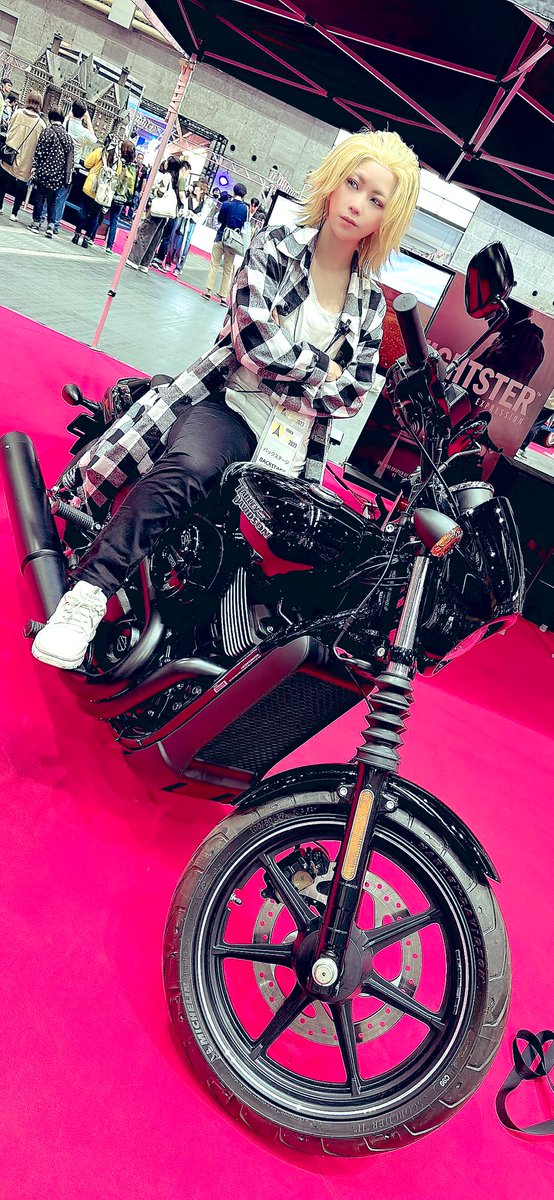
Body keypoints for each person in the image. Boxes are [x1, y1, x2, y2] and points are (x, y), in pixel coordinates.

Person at [31, 128, 420, 670]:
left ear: (387, 219)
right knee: (191, 468)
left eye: (376, 199)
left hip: (294, 449)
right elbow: (253, 342)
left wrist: (300, 367)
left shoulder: (371, 304)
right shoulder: (274, 246)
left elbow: (353, 392)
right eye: (353, 184)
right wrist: (321, 371)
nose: (357, 204)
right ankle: (89, 594)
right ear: (333, 183)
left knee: (304, 549)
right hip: (232, 405)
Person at [126, 154, 180, 272]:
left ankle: (134, 260)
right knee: (155, 238)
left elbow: (160, 192)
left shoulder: (167, 176)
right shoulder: (176, 180)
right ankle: (145, 263)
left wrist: (154, 189)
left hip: (157, 211)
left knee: (145, 234)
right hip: (165, 214)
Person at [0, 90, 45, 221]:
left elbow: (9, 129)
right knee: (21, 189)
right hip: (26, 161)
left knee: (2, 183)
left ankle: (0, 206)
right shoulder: (41, 124)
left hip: (9, 155)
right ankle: (14, 213)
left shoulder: (17, 113)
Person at [29, 109, 74, 237]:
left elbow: (39, 152)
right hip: (58, 177)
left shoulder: (47, 132)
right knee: (52, 201)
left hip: (44, 172)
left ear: (50, 119)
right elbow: (70, 160)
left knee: (40, 198)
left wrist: (35, 168)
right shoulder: (68, 138)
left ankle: (36, 223)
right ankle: (50, 226)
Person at [54, 100, 97, 231]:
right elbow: (94, 139)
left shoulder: (65, 123)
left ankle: (42, 217)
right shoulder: (83, 132)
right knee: (62, 195)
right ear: (83, 115)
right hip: (71, 166)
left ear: (72, 110)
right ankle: (55, 223)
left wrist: (68, 116)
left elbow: (61, 124)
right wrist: (88, 120)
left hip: (57, 161)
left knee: (51, 190)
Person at [202, 182, 248, 304]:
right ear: (244, 195)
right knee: (228, 269)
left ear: (234, 192)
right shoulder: (245, 209)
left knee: (214, 265)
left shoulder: (226, 204)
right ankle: (223, 297)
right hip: (233, 242)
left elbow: (220, 219)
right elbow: (244, 225)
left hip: (221, 236)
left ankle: (208, 291)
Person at [72, 141, 123, 248]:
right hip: (102, 193)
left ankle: (77, 234)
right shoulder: (118, 161)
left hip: (90, 186)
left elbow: (87, 164)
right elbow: (117, 176)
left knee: (83, 210)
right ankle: (87, 239)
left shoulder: (99, 152)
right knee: (95, 216)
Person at [153, 157, 191, 268]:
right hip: (173, 211)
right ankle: (159, 259)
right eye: (188, 172)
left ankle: (153, 256)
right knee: (168, 236)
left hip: (164, 208)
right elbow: (182, 196)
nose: (187, 175)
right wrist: (186, 207)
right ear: (183, 169)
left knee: (160, 233)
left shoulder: (170, 176)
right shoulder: (181, 179)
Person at [103, 139, 135, 253]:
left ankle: (90, 237)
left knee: (101, 214)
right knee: (114, 220)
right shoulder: (132, 167)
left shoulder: (117, 161)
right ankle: (109, 246)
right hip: (121, 196)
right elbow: (131, 185)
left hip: (110, 191)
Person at [174, 177, 211, 273]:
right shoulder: (189, 199)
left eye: (199, 187)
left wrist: (193, 215)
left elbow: (201, 219)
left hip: (193, 225)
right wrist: (189, 214)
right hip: (184, 222)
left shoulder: (204, 204)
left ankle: (179, 266)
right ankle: (173, 260)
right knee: (178, 240)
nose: (196, 189)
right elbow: (184, 210)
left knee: (186, 242)